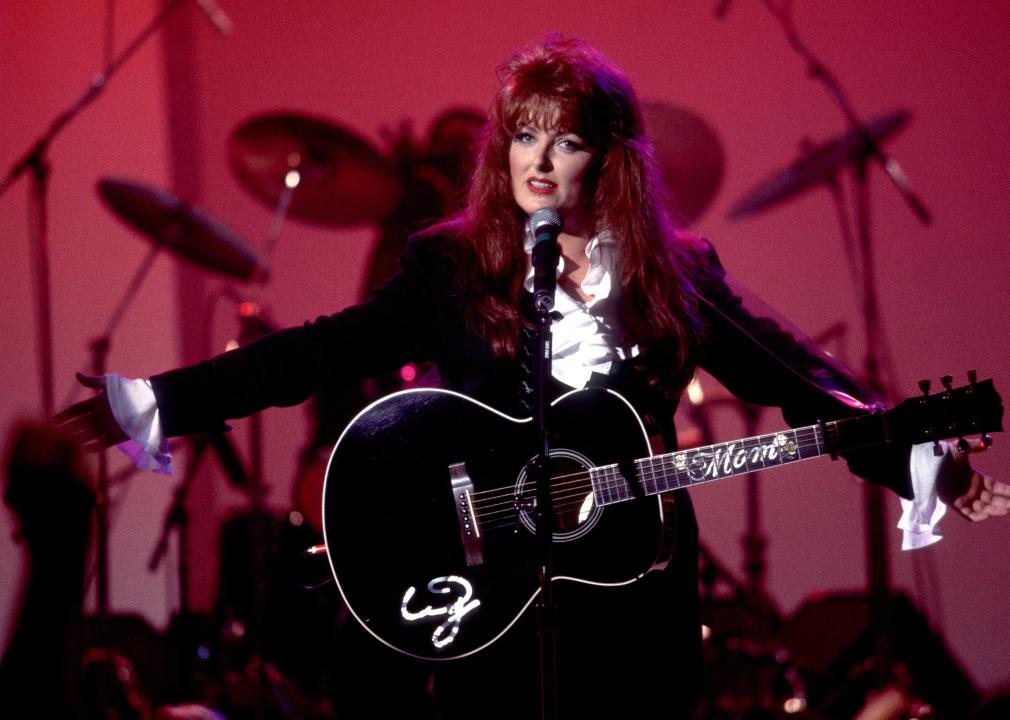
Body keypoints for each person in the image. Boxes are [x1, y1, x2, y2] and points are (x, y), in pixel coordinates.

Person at [55, 35, 1006, 719]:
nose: (538, 162)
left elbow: (804, 383)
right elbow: (316, 352)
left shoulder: (677, 275)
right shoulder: (452, 266)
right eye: (522, 137)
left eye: (565, 141)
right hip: (497, 598)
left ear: (610, 159)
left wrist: (928, 462)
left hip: (638, 598)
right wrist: (163, 399)